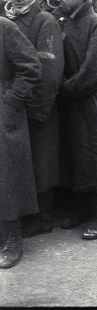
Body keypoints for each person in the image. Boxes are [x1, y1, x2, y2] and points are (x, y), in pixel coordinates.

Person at [55, 0, 97, 239]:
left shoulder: (96, 23)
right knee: (76, 155)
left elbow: (96, 68)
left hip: (92, 103)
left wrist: (67, 88)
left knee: (96, 155)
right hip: (73, 101)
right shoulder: (67, 22)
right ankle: (81, 207)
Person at [5, 0, 64, 237]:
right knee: (23, 163)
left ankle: (45, 216)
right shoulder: (10, 20)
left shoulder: (45, 21)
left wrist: (38, 109)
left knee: (42, 160)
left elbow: (50, 68)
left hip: (39, 104)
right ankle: (29, 213)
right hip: (16, 107)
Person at [0, 16, 42, 268]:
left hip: (3, 110)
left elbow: (32, 66)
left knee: (6, 174)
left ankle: (13, 237)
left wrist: (12, 99)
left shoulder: (5, 27)